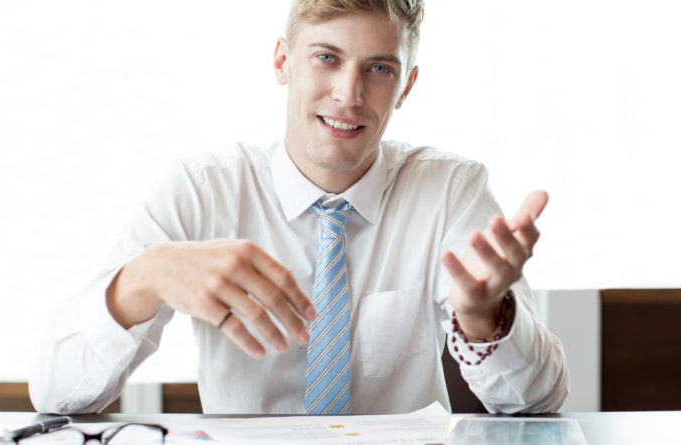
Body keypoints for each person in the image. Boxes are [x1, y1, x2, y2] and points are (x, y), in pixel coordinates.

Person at [29, 0, 569, 415]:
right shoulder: (200, 191)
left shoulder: (452, 190)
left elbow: (536, 402)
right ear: (283, 60)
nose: (349, 93)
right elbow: (56, 395)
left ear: (406, 86)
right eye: (327, 58)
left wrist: (482, 317)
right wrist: (142, 280)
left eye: (379, 69)